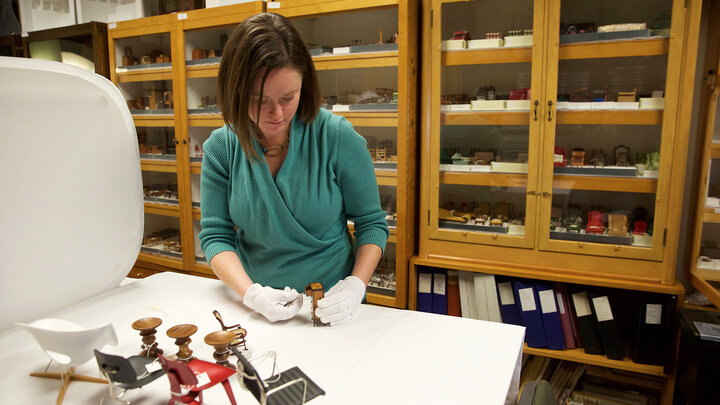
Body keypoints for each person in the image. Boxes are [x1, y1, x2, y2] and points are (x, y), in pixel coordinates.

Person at [199, 12, 389, 327]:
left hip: (333, 306)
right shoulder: (221, 148)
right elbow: (216, 236)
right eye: (259, 101)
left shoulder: (337, 137)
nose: (277, 113)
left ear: (305, 84)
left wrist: (356, 285)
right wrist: (251, 295)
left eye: (289, 97)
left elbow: (371, 224)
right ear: (234, 91)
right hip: (257, 309)